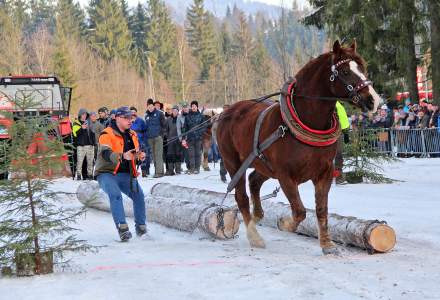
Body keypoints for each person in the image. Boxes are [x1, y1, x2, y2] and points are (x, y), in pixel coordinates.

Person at [95, 106, 147, 241]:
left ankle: (141, 228)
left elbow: (134, 155)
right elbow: (105, 154)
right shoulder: (106, 134)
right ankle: (122, 228)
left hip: (125, 173)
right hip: (107, 173)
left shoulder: (133, 135)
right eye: (126, 118)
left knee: (139, 196)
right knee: (115, 195)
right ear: (117, 118)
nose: (130, 121)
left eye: (131, 118)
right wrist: (123, 156)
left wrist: (139, 157)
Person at [182, 100, 207, 174]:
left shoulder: (201, 116)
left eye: (195, 106)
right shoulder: (187, 117)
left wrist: (199, 132)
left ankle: (197, 168)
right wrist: (184, 138)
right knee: (191, 154)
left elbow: (204, 127)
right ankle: (192, 168)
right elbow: (185, 128)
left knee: (197, 154)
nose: (193, 107)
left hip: (198, 138)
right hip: (190, 138)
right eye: (192, 106)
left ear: (197, 107)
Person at [72, 108, 95, 180]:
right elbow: (75, 134)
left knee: (90, 162)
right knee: (80, 162)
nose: (84, 116)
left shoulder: (89, 122)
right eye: (83, 114)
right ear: (80, 115)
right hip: (81, 146)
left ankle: (90, 175)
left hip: (90, 145)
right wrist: (82, 128)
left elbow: (93, 134)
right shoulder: (76, 123)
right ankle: (78, 175)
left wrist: (93, 143)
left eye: (85, 114)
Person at [145, 98, 166, 177]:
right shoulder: (146, 116)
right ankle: (158, 171)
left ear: (153, 106)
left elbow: (164, 125)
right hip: (150, 138)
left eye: (151, 106)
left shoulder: (159, 114)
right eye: (148, 107)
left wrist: (161, 135)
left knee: (158, 155)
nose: (150, 108)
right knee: (153, 156)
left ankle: (159, 172)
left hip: (158, 137)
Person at [130, 106, 149, 177]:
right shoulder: (127, 121)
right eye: (131, 112)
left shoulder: (140, 121)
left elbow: (145, 131)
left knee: (142, 156)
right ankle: (134, 171)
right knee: (133, 157)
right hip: (131, 142)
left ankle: (144, 172)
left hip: (140, 141)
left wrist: (144, 140)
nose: (133, 114)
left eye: (134, 112)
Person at [164, 105, 183, 175]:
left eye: (176, 111)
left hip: (178, 139)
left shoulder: (180, 118)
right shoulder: (168, 119)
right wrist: (167, 136)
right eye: (173, 111)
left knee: (178, 154)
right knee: (170, 155)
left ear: (178, 111)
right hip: (170, 140)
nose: (174, 112)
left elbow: (183, 128)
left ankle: (178, 169)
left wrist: (182, 137)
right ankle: (171, 170)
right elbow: (165, 129)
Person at [334, 101, 349, 184]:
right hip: (328, 132)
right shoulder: (333, 103)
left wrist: (345, 132)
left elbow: (343, 118)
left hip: (338, 132)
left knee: (338, 155)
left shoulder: (339, 104)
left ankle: (338, 177)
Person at [177, 102, 190, 170]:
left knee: (192, 152)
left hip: (192, 136)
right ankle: (189, 167)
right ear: (182, 108)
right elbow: (178, 128)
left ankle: (194, 166)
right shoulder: (179, 117)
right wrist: (181, 138)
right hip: (184, 137)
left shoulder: (191, 115)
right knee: (186, 153)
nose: (185, 108)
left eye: (186, 107)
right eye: (184, 107)